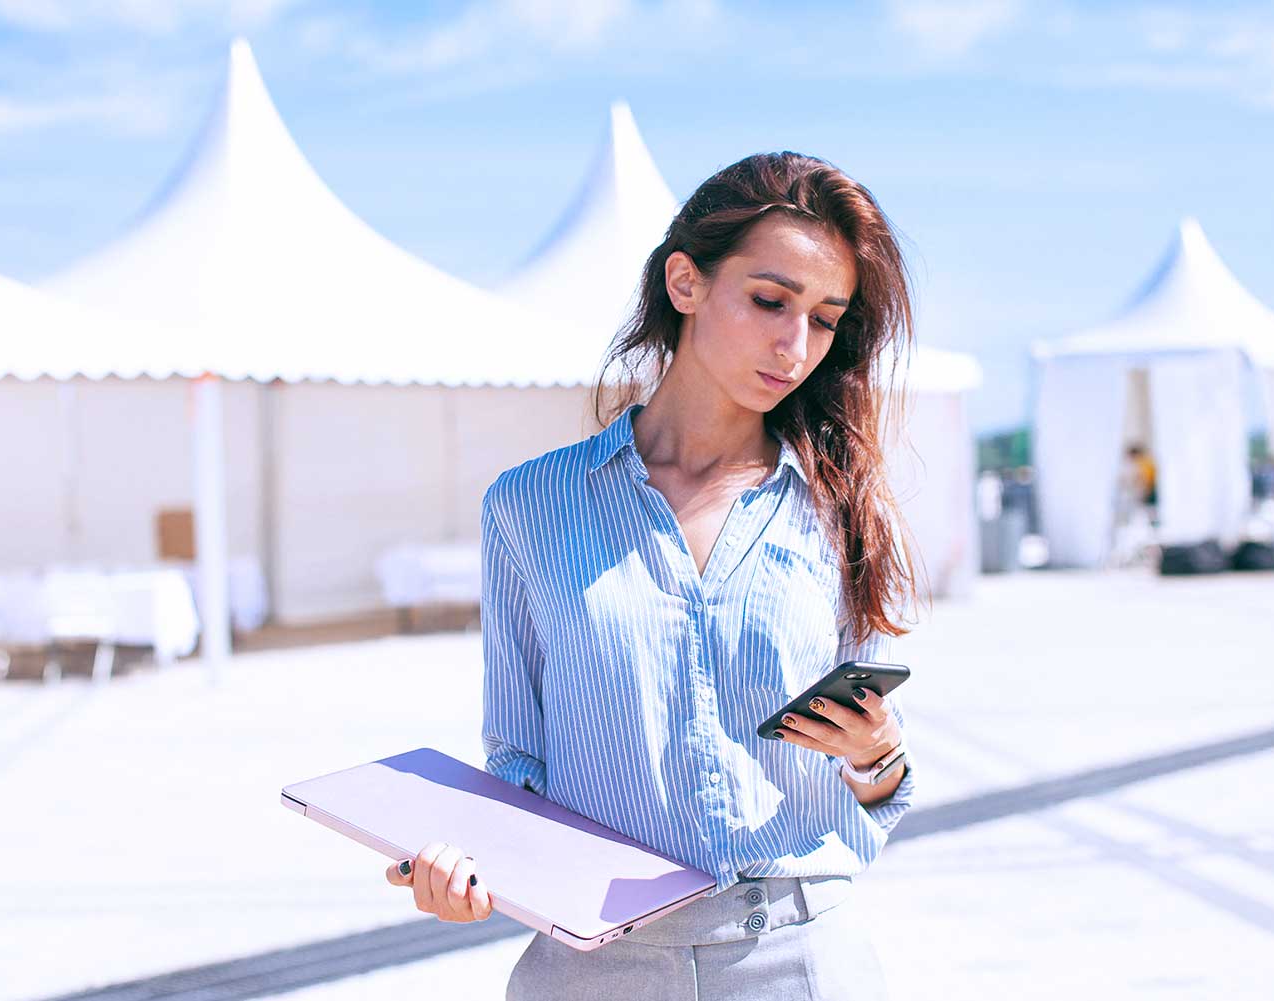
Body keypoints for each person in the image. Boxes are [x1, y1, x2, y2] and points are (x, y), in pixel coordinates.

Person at [385, 152, 919, 999]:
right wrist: (464, 869)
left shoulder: (839, 508)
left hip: (800, 957)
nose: (795, 345)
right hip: (598, 963)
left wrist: (877, 755)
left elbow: (879, 782)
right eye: (770, 300)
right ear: (686, 282)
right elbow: (519, 758)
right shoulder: (531, 504)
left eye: (825, 318)